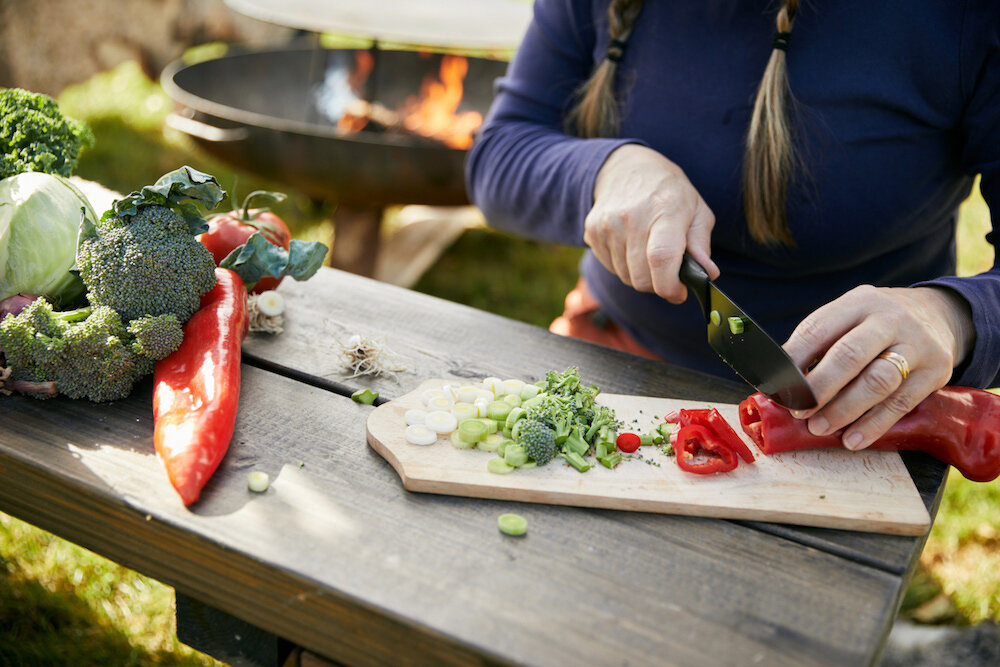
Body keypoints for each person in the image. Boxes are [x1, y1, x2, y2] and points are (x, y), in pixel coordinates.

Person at [465, 0, 1000, 452]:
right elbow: (500, 152)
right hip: (611, 356)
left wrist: (952, 318)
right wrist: (606, 169)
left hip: (855, 415)